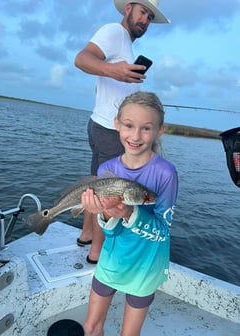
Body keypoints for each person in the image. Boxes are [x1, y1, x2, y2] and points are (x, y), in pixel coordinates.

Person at [74, 0, 169, 264]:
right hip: (108, 131)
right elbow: (81, 59)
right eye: (142, 12)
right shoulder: (114, 32)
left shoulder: (125, 43)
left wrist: (119, 79)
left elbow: (103, 84)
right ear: (128, 8)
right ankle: (97, 254)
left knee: (95, 186)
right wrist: (115, 71)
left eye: (150, 17)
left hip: (101, 125)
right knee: (108, 194)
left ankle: (85, 236)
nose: (145, 20)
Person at [81, 91, 178, 336]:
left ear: (159, 130)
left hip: (146, 267)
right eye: (128, 125)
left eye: (146, 128)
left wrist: (128, 212)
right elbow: (109, 232)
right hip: (112, 259)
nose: (136, 136)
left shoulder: (166, 174)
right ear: (117, 124)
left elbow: (162, 231)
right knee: (91, 327)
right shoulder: (107, 169)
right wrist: (102, 215)